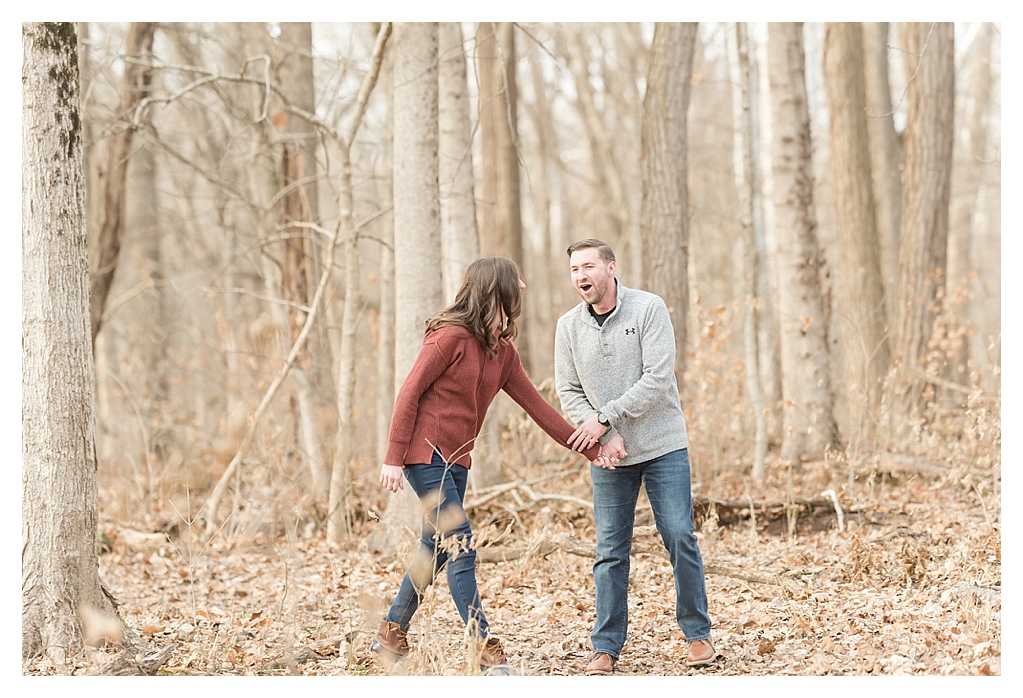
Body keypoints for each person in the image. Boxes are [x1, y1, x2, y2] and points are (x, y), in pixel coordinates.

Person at [373, 256, 614, 675]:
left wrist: (594, 449)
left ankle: (391, 631)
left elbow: (540, 410)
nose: (522, 286)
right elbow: (408, 393)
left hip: (457, 461)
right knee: (460, 540)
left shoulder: (502, 353)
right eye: (515, 281)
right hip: (423, 456)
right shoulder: (449, 338)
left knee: (437, 548)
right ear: (495, 290)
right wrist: (394, 456)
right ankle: (481, 647)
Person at [555, 239, 715, 675]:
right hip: (610, 456)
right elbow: (567, 390)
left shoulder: (648, 309)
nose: (581, 276)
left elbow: (659, 377)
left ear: (611, 268)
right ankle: (606, 646)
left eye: (588, 266)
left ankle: (697, 635)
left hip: (663, 446)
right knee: (609, 551)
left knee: (680, 535)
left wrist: (605, 419)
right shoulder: (567, 326)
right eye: (574, 270)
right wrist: (601, 436)